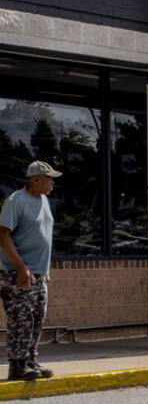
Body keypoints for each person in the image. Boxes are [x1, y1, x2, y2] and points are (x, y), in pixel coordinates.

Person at [0, 160, 62, 380]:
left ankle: (30, 361)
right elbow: (3, 234)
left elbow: (41, 235)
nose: (52, 183)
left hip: (38, 273)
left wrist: (44, 268)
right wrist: (20, 267)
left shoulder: (43, 200)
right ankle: (17, 365)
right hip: (16, 273)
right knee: (21, 318)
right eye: (48, 178)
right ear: (35, 179)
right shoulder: (16, 201)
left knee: (37, 317)